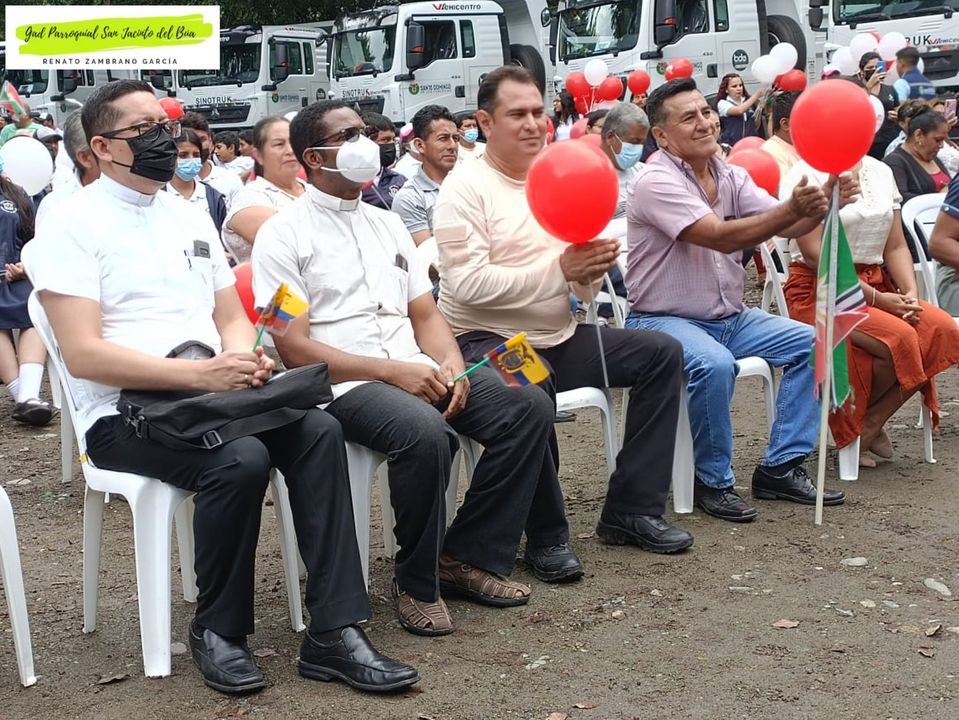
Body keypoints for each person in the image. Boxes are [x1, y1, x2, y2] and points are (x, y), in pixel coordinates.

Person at [22, 79, 418, 696]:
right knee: (241, 457)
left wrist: (239, 358)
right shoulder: (68, 224)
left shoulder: (186, 215)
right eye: (144, 131)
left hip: (213, 396)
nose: (164, 139)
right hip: (124, 412)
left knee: (318, 428)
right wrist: (202, 375)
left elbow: (231, 316)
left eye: (166, 125)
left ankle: (334, 631)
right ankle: (219, 630)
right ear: (100, 147)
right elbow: (84, 354)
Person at [253, 99, 565, 638]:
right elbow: (294, 348)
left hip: (417, 365)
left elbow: (425, 314)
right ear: (314, 157)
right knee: (425, 432)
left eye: (364, 131)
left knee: (528, 400)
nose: (364, 143)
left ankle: (464, 556)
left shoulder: (388, 224)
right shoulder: (282, 235)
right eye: (347, 136)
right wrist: (393, 373)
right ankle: (417, 582)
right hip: (344, 383)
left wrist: (449, 361)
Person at [433, 66, 693, 553]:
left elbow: (581, 289)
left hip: (559, 334)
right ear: (485, 123)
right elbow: (466, 287)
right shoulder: (463, 188)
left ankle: (632, 511)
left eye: (538, 112)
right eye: (518, 114)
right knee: (534, 382)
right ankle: (547, 536)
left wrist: (588, 269)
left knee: (662, 354)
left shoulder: (559, 174)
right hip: (485, 340)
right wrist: (561, 269)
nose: (534, 123)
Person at [624, 77, 850, 522]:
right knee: (714, 364)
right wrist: (794, 209)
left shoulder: (730, 174)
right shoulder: (654, 181)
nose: (705, 122)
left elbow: (785, 226)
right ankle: (713, 481)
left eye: (706, 112)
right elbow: (720, 237)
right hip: (661, 320)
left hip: (730, 317)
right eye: (689, 118)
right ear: (662, 136)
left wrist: (821, 202)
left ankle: (780, 467)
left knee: (817, 342)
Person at [781, 154, 959, 467]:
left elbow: (896, 246)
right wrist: (878, 299)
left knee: (939, 329)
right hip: (822, 290)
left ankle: (869, 422)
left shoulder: (880, 170)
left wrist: (910, 293)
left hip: (876, 283)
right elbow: (815, 255)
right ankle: (860, 428)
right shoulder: (805, 173)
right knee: (901, 337)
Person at [0, 168, 53, 425]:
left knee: (34, 309)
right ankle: (23, 396)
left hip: (15, 275)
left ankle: (28, 396)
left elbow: (32, 239)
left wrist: (25, 265)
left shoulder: (16, 194)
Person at [222, 116, 306, 264]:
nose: (290, 150)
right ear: (258, 155)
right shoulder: (250, 198)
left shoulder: (313, 190)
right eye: (279, 144)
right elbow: (292, 247)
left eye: (294, 143)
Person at [392, 105, 458, 247]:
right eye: (443, 138)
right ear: (420, 145)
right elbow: (429, 255)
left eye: (456, 138)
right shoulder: (410, 198)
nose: (452, 146)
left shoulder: (472, 183)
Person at [36, 112, 101, 229]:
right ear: (85, 158)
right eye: (102, 147)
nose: (53, 146)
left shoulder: (133, 193)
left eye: (55, 141)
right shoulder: (54, 207)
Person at [884, 104, 951, 207]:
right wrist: (939, 198)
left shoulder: (934, 159)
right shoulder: (894, 162)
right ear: (918, 135)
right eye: (938, 140)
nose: (942, 145)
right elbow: (900, 199)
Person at [167, 128, 229, 238]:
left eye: (196, 155)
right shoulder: (157, 195)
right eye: (183, 155)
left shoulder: (213, 197)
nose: (191, 160)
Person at [180, 112, 243, 208]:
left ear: (210, 141)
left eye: (202, 139)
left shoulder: (230, 179)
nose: (197, 146)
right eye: (191, 140)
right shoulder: (167, 184)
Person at [859, 53, 903, 161]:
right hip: (868, 141)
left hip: (889, 139)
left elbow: (898, 109)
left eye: (877, 67)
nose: (874, 70)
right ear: (862, 71)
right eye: (870, 68)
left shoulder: (890, 89)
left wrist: (897, 116)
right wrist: (869, 86)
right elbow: (855, 107)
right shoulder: (858, 89)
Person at [360, 112, 407, 210]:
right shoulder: (352, 183)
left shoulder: (400, 180)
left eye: (393, 140)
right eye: (385, 140)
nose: (391, 145)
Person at [760, 91, 802, 185]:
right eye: (807, 119)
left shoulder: (806, 146)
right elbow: (784, 190)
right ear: (785, 124)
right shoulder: (771, 151)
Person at [715, 73, 763, 146]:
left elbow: (756, 125)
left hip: (751, 143)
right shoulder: (723, 103)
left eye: (740, 85)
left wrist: (760, 108)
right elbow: (739, 110)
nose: (739, 88)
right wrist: (756, 95)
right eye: (734, 86)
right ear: (726, 90)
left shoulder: (747, 101)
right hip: (731, 145)